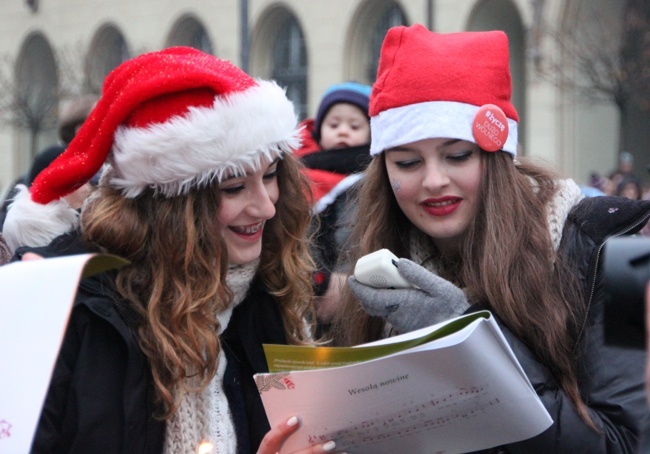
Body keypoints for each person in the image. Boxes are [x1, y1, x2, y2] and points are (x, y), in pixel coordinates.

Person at [3, 47, 337, 454]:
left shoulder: (267, 292)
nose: (265, 206)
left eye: (269, 176)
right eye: (233, 188)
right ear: (169, 208)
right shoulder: (72, 310)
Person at [332, 24, 650, 452]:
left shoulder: (621, 249)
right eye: (407, 162)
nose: (433, 180)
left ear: (497, 155)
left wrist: (470, 341)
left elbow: (626, 443)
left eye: (457, 155)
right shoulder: (378, 256)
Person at [293, 82, 372, 330]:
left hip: (355, 296)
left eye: (354, 126)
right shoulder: (300, 174)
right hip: (309, 292)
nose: (343, 132)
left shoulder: (372, 176)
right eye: (334, 125)